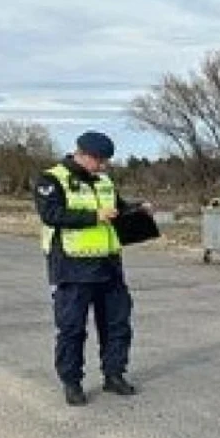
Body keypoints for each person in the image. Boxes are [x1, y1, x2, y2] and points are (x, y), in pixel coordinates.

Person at [35, 131, 148, 406]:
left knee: (117, 325)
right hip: (72, 267)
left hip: (108, 266)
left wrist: (139, 210)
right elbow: (51, 215)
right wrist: (93, 216)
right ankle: (72, 382)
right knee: (72, 328)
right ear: (82, 154)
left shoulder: (105, 181)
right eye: (99, 160)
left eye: (106, 161)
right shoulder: (51, 179)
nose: (103, 166)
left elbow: (117, 210)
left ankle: (114, 374)